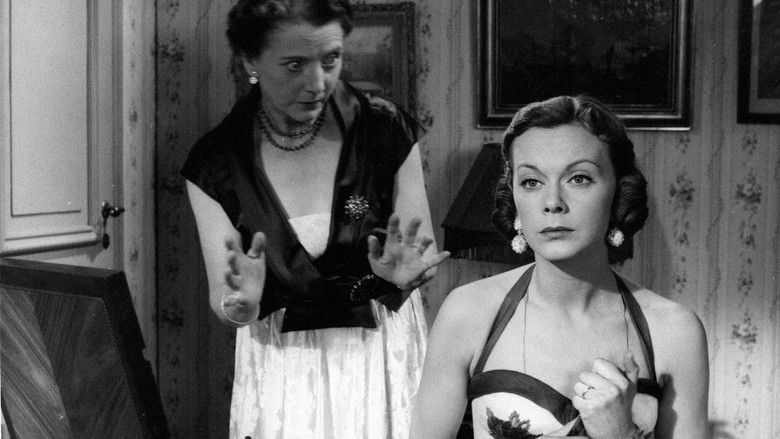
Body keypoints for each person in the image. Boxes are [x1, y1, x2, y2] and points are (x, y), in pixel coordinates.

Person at [181, 1, 449, 437]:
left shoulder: (385, 129)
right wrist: (241, 305)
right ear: (250, 61)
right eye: (294, 65)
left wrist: (406, 276)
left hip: (381, 352)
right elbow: (225, 298)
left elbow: (420, 250)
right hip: (285, 368)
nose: (318, 83)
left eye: (331, 59)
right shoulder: (215, 162)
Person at [410, 95, 708, 438]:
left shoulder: (675, 331)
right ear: (514, 200)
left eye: (578, 178)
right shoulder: (467, 312)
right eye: (531, 182)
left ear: (618, 193)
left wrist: (622, 433)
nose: (552, 203)